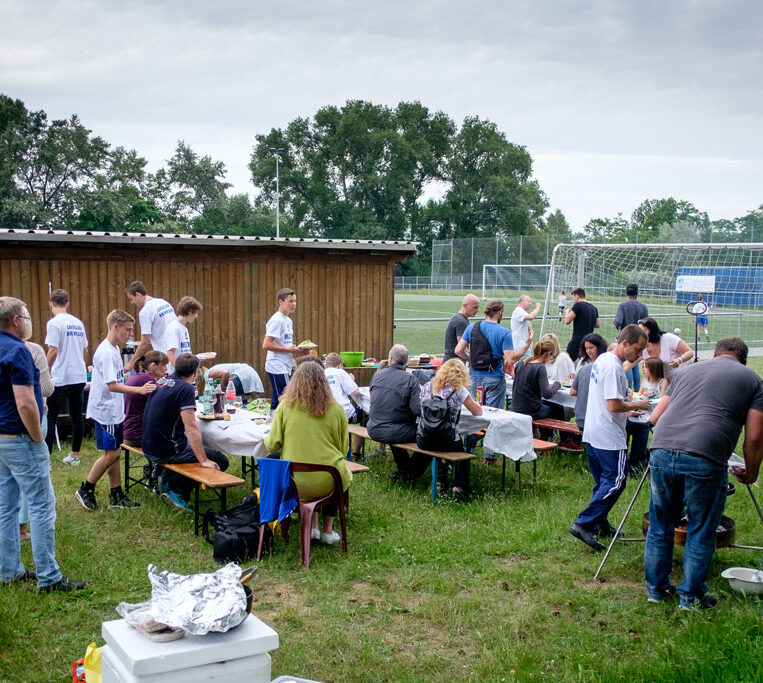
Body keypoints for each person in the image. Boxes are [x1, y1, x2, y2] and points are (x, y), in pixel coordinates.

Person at [646, 337, 763, 610]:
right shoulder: (753, 380)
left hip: (661, 449)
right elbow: (755, 438)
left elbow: (659, 411)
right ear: (743, 359)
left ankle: (657, 590)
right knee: (700, 528)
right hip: (704, 456)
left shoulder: (687, 370)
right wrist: (753, 472)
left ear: (716, 354)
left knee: (660, 524)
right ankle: (691, 597)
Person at [0, 297, 85, 592]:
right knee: (41, 505)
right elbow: (26, 403)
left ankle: (9, 571)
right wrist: (37, 437)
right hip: (21, 438)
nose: (27, 322)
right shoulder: (18, 351)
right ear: (15, 321)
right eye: (25, 317)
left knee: (6, 506)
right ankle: (49, 576)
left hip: (1, 440)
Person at [568, 325, 649, 551]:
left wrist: (628, 409)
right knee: (616, 481)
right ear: (625, 343)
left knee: (602, 481)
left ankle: (600, 524)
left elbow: (608, 400)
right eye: (638, 348)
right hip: (608, 436)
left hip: (592, 431)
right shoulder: (613, 368)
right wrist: (637, 404)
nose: (640, 354)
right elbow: (614, 405)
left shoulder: (603, 359)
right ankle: (584, 523)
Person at [75, 310, 156, 512]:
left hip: (114, 410)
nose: (130, 334)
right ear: (115, 327)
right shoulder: (105, 353)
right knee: (111, 455)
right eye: (127, 330)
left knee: (115, 453)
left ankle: (116, 494)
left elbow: (116, 380)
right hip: (105, 411)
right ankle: (86, 488)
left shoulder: (113, 350)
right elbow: (112, 385)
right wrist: (139, 389)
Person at [264, 361, 352, 544]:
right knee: (340, 473)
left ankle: (313, 527)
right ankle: (328, 530)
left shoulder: (284, 408)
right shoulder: (336, 410)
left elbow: (272, 445)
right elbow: (343, 450)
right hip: (331, 479)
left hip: (296, 482)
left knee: (308, 476)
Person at [141, 353, 229, 510]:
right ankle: (177, 491)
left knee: (193, 448)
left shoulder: (162, 380)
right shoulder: (186, 388)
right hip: (164, 450)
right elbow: (191, 427)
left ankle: (167, 477)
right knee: (221, 460)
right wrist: (203, 460)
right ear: (195, 373)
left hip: (147, 444)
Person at [454, 299, 532, 464]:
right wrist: (526, 347)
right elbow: (510, 359)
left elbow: (458, 350)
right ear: (501, 313)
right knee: (493, 417)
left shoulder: (472, 328)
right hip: (495, 377)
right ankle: (490, 456)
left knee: (475, 412)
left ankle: (469, 448)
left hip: (475, 377)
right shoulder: (503, 333)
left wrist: (472, 359)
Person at [417, 359, 482, 501]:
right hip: (447, 439)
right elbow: (477, 412)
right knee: (463, 453)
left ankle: (441, 481)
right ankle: (458, 487)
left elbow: (419, 408)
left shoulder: (428, 386)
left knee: (440, 446)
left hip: (424, 438)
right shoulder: (458, 390)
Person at [367, 344, 428, 483]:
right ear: (406, 362)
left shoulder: (377, 375)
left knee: (395, 433)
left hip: (374, 428)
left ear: (390, 359)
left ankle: (404, 471)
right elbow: (417, 410)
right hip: (395, 430)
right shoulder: (410, 379)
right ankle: (410, 472)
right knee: (431, 436)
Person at [19, 322, 55, 542]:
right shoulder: (32, 350)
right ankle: (22, 529)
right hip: (30, 419)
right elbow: (47, 388)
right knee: (32, 480)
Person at [44, 288, 88, 466]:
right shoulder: (78, 322)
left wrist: (44, 369)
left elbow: (53, 350)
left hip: (61, 376)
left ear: (50, 304)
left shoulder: (54, 323)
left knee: (51, 416)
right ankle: (74, 455)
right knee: (77, 416)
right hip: (78, 375)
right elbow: (85, 350)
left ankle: (46, 457)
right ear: (67, 303)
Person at [123, 352, 168, 494]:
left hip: (127, 431)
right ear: (153, 365)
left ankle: (152, 474)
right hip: (138, 435)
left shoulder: (136, 376)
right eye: (164, 366)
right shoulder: (148, 381)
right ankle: (157, 478)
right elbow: (163, 407)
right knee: (175, 444)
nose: (166, 370)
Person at [512, 339, 563, 440]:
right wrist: (558, 384)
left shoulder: (522, 363)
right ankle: (547, 439)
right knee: (557, 408)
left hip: (517, 406)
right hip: (530, 410)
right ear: (549, 354)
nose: (551, 360)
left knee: (549, 406)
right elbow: (547, 394)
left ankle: (543, 435)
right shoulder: (540, 367)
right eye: (552, 357)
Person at [625, 357, 667, 476]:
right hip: (641, 409)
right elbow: (640, 393)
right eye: (642, 367)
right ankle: (632, 461)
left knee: (640, 425)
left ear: (654, 368)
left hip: (653, 413)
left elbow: (662, 398)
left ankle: (636, 462)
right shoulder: (645, 380)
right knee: (631, 423)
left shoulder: (662, 382)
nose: (643, 369)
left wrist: (648, 395)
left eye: (646, 367)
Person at [262, 288, 303, 411]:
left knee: (279, 397)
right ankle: (276, 426)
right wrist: (288, 350)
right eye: (290, 301)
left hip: (285, 365)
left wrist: (297, 350)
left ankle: (272, 425)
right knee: (285, 398)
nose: (293, 304)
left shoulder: (288, 320)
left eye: (295, 301)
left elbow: (285, 344)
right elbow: (266, 344)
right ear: (281, 302)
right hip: (276, 365)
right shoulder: (277, 320)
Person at [123, 281, 175, 372]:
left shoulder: (145, 311)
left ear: (138, 294)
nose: (132, 303)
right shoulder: (163, 303)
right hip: (178, 353)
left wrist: (131, 363)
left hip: (165, 358)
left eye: (131, 299)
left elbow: (144, 343)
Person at [324, 352, 365, 460]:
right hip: (344, 413)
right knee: (366, 414)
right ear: (339, 365)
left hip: (326, 413)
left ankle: (349, 451)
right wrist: (351, 380)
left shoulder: (322, 373)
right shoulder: (340, 372)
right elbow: (355, 392)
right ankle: (356, 452)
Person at [569, 334, 609, 434]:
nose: (589, 351)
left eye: (591, 348)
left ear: (599, 347)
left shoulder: (605, 362)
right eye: (586, 348)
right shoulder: (583, 361)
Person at [614, 284, 648, 391]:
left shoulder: (622, 305)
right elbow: (646, 322)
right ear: (637, 293)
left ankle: (627, 389)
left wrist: (618, 328)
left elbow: (618, 321)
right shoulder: (643, 306)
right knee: (635, 365)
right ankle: (637, 391)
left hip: (627, 338)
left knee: (626, 364)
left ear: (626, 292)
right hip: (639, 340)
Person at [637, 317, 693, 381]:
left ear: (652, 330)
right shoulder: (641, 345)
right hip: (662, 381)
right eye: (639, 331)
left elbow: (689, 352)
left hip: (681, 377)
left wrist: (679, 360)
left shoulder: (668, 338)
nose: (640, 334)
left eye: (644, 330)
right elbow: (628, 364)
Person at [165, 296, 202, 373]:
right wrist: (180, 372)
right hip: (177, 374)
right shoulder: (174, 328)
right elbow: (170, 353)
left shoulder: (183, 328)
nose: (196, 316)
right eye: (195, 313)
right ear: (189, 312)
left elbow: (184, 351)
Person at [564, 288, 600, 362]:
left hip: (576, 342)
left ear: (577, 297)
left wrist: (567, 312)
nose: (573, 301)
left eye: (573, 298)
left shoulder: (578, 305)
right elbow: (597, 324)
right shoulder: (594, 308)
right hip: (588, 342)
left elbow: (567, 320)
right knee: (585, 363)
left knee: (567, 362)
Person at [443, 294, 480, 362]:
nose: (477, 310)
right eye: (475, 307)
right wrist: (475, 360)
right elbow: (462, 349)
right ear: (465, 305)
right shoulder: (461, 322)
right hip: (455, 363)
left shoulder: (458, 318)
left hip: (450, 361)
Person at [510, 295, 541, 360]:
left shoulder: (522, 312)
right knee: (524, 366)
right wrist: (538, 307)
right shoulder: (518, 311)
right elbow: (531, 317)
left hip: (524, 346)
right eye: (529, 301)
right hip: (521, 347)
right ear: (522, 301)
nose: (530, 303)